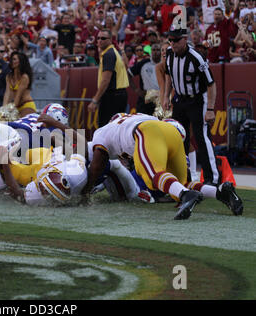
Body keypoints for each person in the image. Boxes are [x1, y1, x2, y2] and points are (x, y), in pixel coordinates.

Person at [82, 113, 243, 219]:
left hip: (147, 131)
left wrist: (85, 193)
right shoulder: (135, 118)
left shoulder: (103, 132)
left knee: (153, 176)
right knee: (181, 182)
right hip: (170, 133)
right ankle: (221, 192)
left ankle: (185, 195)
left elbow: (96, 165)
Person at [162, 24, 220, 186]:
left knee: (201, 138)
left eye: (176, 40)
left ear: (185, 40)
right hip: (180, 99)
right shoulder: (169, 54)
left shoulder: (197, 57)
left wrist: (210, 109)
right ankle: (183, 176)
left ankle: (212, 179)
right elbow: (168, 75)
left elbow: (211, 84)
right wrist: (166, 96)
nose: (172, 44)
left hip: (197, 100)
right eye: (170, 40)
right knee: (179, 139)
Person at [87, 29, 129, 127]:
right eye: (98, 38)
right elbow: (126, 66)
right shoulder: (113, 52)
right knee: (116, 128)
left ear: (110, 40)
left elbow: (105, 80)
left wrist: (95, 100)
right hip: (118, 95)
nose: (100, 40)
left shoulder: (109, 54)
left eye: (103, 38)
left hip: (112, 96)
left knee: (106, 129)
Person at [127, 43, 161, 115]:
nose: (155, 52)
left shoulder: (165, 64)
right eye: (153, 50)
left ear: (161, 51)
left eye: (158, 50)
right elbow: (128, 74)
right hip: (145, 100)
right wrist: (136, 89)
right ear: (151, 51)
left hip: (160, 100)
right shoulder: (144, 63)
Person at [2, 51, 37, 118]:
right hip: (15, 106)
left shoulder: (24, 77)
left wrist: (9, 110)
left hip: (26, 105)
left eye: (14, 59)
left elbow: (18, 95)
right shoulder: (9, 77)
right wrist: (3, 110)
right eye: (11, 59)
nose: (12, 61)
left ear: (21, 61)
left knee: (21, 127)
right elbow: (7, 94)